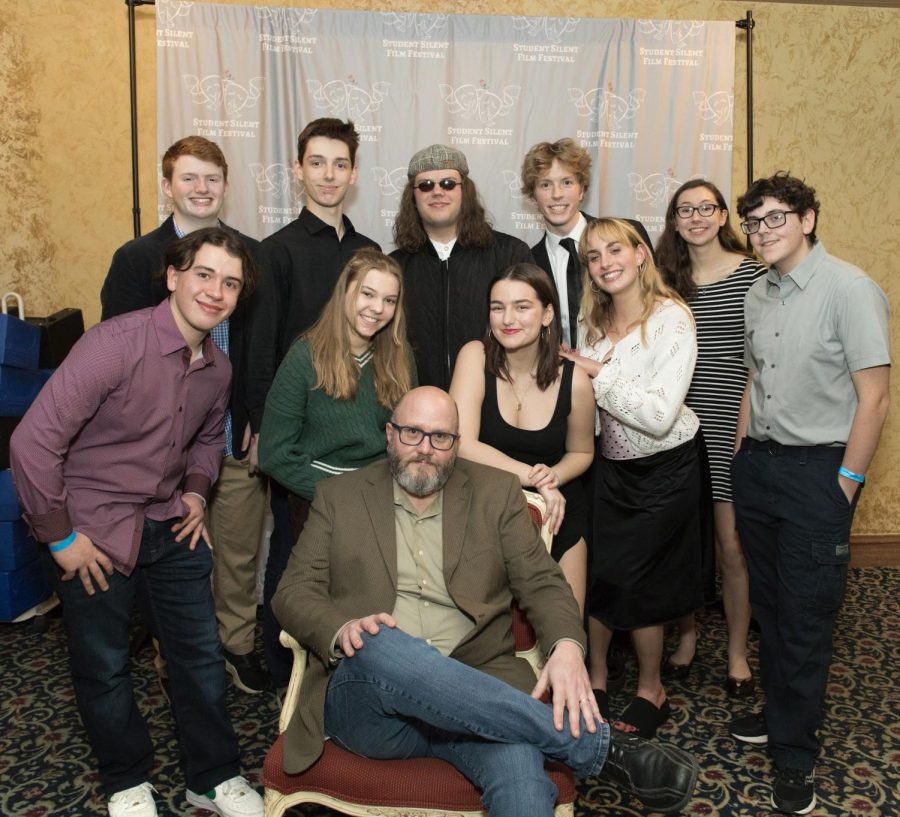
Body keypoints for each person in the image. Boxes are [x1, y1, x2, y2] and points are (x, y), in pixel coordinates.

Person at [271, 386, 699, 817]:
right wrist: (342, 629)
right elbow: (292, 591)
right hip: (372, 708)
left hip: (480, 691)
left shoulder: (496, 494)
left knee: (522, 780)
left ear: (456, 445)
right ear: (388, 434)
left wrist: (567, 646)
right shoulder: (340, 496)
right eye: (411, 433)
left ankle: (559, 743)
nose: (425, 449)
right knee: (379, 639)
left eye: (440, 438)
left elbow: (544, 583)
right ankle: (598, 749)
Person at [10, 229, 264, 817]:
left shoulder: (218, 368)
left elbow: (206, 440)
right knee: (103, 666)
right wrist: (61, 537)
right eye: (204, 275)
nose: (216, 291)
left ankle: (214, 777)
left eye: (230, 283)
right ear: (174, 276)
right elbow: (32, 444)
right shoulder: (112, 345)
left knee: (200, 656)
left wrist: (199, 493)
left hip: (171, 527)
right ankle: (126, 781)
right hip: (93, 532)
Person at [729, 173, 890, 815]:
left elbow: (874, 396)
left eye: (776, 218)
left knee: (806, 618)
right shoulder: (758, 294)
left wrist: (845, 485)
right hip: (760, 469)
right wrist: (742, 452)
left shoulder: (849, 289)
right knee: (770, 605)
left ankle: (797, 755)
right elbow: (753, 379)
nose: (763, 231)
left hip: (817, 475)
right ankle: (780, 716)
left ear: (808, 219)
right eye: (754, 221)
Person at [99, 135, 269, 695]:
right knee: (173, 552)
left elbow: (259, 345)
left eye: (212, 178)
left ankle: (238, 645)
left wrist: (256, 413)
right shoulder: (137, 260)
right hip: (162, 446)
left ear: (226, 186)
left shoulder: (252, 255)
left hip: (230, 435)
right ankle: (175, 656)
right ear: (167, 184)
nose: (201, 189)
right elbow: (116, 355)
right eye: (189, 178)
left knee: (238, 551)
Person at [245, 117, 379, 686]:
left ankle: (343, 660)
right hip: (296, 434)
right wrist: (256, 427)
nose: (328, 174)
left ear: (353, 173)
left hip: (356, 435)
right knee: (294, 551)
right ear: (298, 169)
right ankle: (280, 663)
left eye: (340, 164)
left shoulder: (369, 250)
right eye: (317, 163)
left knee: (352, 557)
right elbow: (261, 346)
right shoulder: (275, 252)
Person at [561, 219, 706, 737]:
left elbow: (659, 414)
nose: (604, 263)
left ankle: (652, 689)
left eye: (614, 249)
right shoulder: (593, 323)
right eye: (593, 256)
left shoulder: (671, 318)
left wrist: (597, 373)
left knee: (643, 582)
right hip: (607, 466)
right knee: (601, 571)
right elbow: (584, 405)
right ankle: (596, 677)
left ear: (640, 253)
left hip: (665, 468)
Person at [258, 248, 415, 682]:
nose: (377, 309)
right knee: (300, 598)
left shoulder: (397, 356)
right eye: (367, 294)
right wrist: (340, 494)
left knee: (372, 601)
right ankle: (286, 684)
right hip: (314, 503)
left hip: (381, 501)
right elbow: (274, 453)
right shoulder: (305, 357)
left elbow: (406, 436)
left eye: (388, 300)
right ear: (345, 290)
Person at [656, 178, 766, 696]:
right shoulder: (664, 280)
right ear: (674, 221)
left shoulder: (754, 275)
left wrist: (746, 428)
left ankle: (738, 652)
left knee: (731, 546)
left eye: (706, 208)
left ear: (723, 215)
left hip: (730, 425)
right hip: (672, 426)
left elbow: (760, 364)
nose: (696, 217)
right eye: (685, 210)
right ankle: (688, 635)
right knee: (683, 543)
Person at [449, 263, 594, 613]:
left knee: (565, 628)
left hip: (557, 514)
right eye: (497, 307)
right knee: (485, 640)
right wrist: (535, 478)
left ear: (547, 314)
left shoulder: (575, 381)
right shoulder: (475, 356)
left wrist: (552, 477)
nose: (507, 318)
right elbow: (461, 443)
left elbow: (581, 451)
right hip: (482, 513)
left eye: (522, 306)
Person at [391, 144, 533, 389]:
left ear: (464, 191)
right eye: (425, 185)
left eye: (447, 183)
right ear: (413, 197)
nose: (437, 192)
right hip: (420, 409)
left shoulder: (510, 254)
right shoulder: (395, 266)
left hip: (498, 405)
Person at [522, 138, 656, 348]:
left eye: (567, 182)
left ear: (582, 190)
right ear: (532, 196)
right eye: (545, 185)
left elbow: (656, 299)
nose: (557, 195)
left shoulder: (628, 234)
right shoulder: (528, 261)